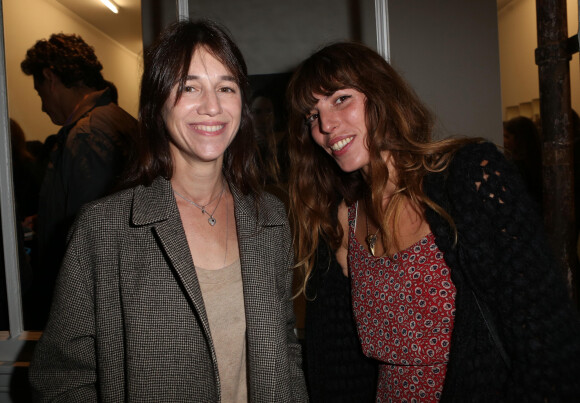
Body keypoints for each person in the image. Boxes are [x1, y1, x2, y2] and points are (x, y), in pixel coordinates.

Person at [28, 19, 308, 402]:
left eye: (226, 87)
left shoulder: (270, 217)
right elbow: (61, 378)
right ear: (157, 104)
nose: (212, 106)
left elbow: (285, 346)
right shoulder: (104, 229)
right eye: (189, 87)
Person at [287, 42, 580, 402]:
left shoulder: (470, 179)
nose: (326, 125)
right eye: (311, 116)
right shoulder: (342, 219)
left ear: (381, 94)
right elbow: (334, 361)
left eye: (341, 99)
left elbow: (546, 339)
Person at [20, 33, 138, 327]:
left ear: (50, 78)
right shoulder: (117, 119)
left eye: (39, 93)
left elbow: (95, 236)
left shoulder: (87, 134)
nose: (43, 106)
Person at [503, 116, 543, 206]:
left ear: (519, 139)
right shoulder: (539, 162)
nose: (504, 141)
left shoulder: (516, 167)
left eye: (507, 136)